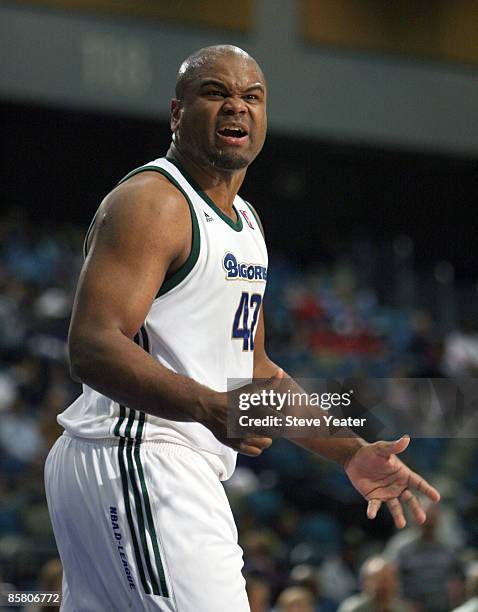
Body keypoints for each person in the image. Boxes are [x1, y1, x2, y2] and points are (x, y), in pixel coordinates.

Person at [44, 44, 440, 611]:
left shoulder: (246, 222)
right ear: (177, 112)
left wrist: (349, 451)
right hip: (140, 452)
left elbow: (256, 376)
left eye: (252, 97)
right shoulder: (154, 202)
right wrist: (209, 406)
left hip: (147, 461)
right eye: (216, 93)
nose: (237, 107)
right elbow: (92, 346)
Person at [337, 556, 413, 612]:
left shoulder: (402, 609)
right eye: (378, 579)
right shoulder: (352, 609)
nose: (383, 586)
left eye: (388, 580)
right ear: (365, 582)